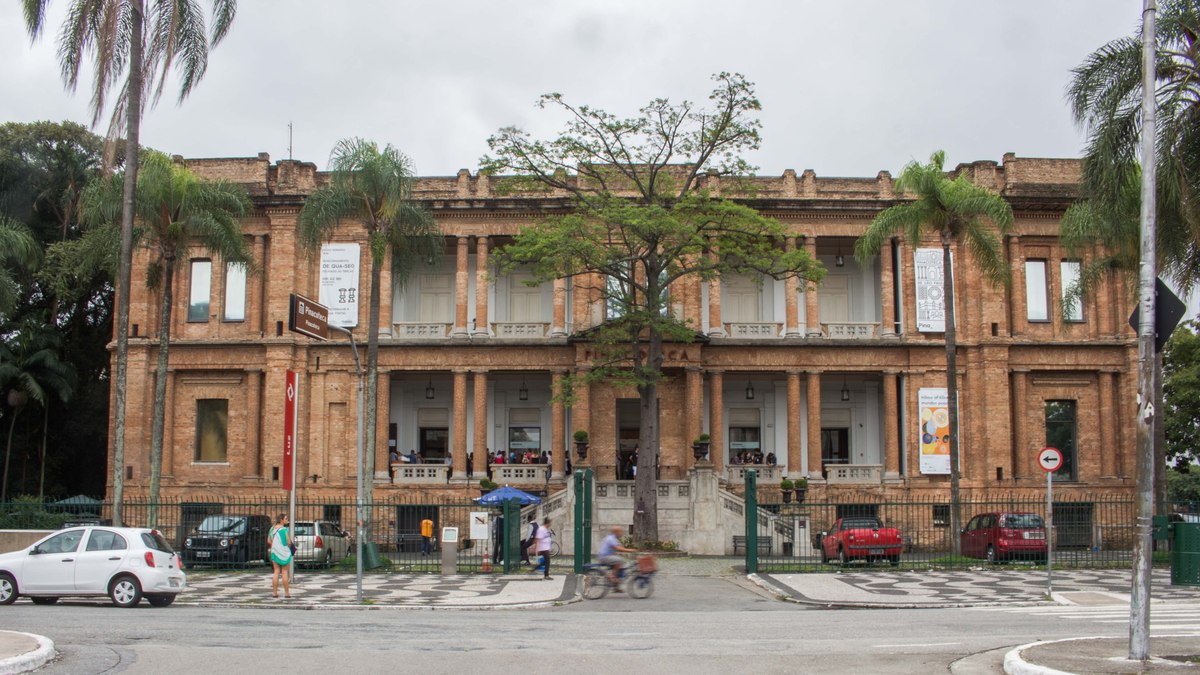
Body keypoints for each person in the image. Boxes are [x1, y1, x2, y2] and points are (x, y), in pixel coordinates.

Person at [268, 513, 294, 598]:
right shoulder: (284, 530)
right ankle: (286, 593)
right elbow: (289, 542)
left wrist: (276, 545)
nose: (287, 520)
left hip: (275, 552)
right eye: (286, 518)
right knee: (284, 572)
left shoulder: (272, 529)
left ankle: (274, 592)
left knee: (276, 572)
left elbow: (269, 541)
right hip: (283, 552)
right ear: (281, 520)